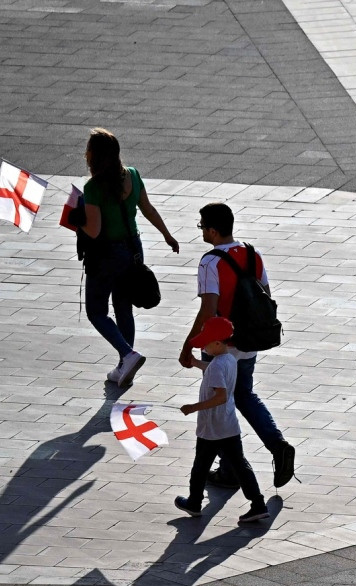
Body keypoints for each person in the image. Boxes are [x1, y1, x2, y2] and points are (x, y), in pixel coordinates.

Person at [179, 202, 295, 487]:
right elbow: (265, 294)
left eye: (202, 227)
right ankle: (277, 446)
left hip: (221, 343)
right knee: (243, 395)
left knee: (219, 403)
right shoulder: (252, 254)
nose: (202, 232)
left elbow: (209, 309)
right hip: (250, 339)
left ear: (214, 230)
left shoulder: (210, 262)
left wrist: (189, 344)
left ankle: (231, 469)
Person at [78, 127, 179, 387]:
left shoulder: (93, 187)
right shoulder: (132, 175)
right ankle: (126, 364)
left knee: (96, 311)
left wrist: (75, 220)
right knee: (123, 308)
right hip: (133, 249)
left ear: (93, 156)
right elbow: (147, 209)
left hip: (107, 255)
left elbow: (94, 229)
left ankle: (127, 355)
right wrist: (167, 235)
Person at [176, 317, 270, 524]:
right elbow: (212, 370)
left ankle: (194, 502)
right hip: (229, 426)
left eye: (206, 343)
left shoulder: (217, 365)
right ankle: (258, 504)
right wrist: (195, 363)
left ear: (218, 343)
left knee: (200, 467)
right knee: (240, 465)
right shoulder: (228, 360)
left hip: (212, 428)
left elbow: (221, 396)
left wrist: (193, 408)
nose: (203, 346)